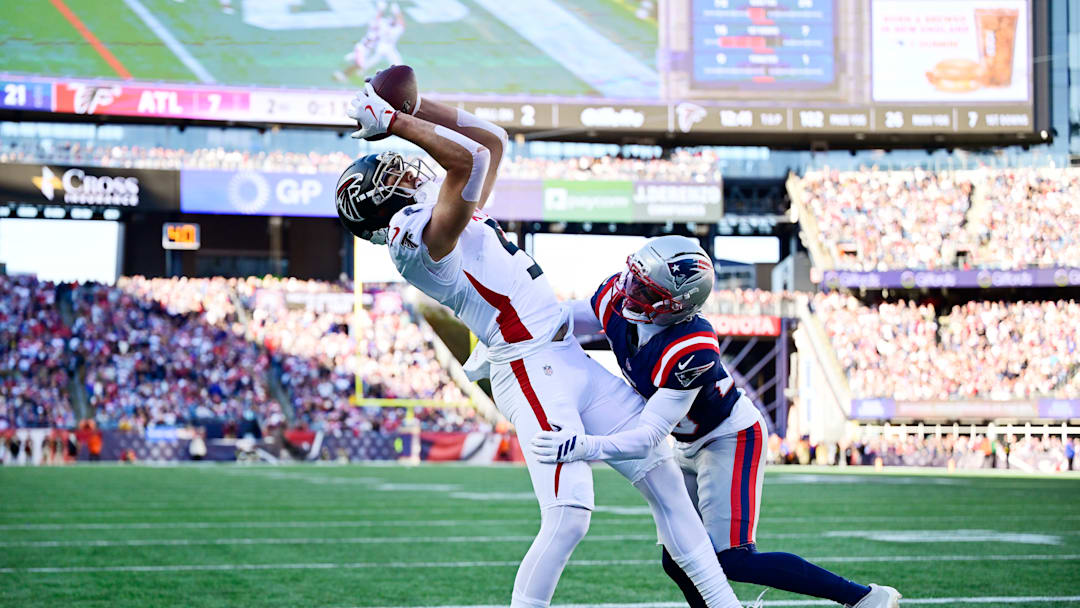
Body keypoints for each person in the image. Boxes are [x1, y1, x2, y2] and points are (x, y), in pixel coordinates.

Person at [339, 85, 740, 608]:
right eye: (391, 176)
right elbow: (465, 160)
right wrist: (394, 122)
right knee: (569, 517)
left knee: (664, 477)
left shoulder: (443, 212)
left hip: (564, 353)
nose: (406, 172)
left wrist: (417, 109)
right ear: (379, 206)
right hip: (527, 366)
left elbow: (492, 143)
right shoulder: (415, 240)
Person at [530, 236, 902, 608]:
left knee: (732, 558)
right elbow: (565, 318)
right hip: (687, 441)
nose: (629, 293)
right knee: (678, 558)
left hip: (729, 437)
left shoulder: (691, 345)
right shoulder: (621, 294)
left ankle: (865, 598)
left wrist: (586, 445)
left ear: (676, 305)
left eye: (645, 290)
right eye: (634, 280)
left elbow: (648, 437)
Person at [333, 2, 406, 83]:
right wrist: (380, 9)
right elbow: (376, 21)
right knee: (362, 66)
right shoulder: (379, 26)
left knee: (397, 64)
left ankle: (345, 74)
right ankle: (344, 74)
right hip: (368, 48)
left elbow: (401, 24)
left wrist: (396, 12)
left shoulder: (395, 29)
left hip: (383, 48)